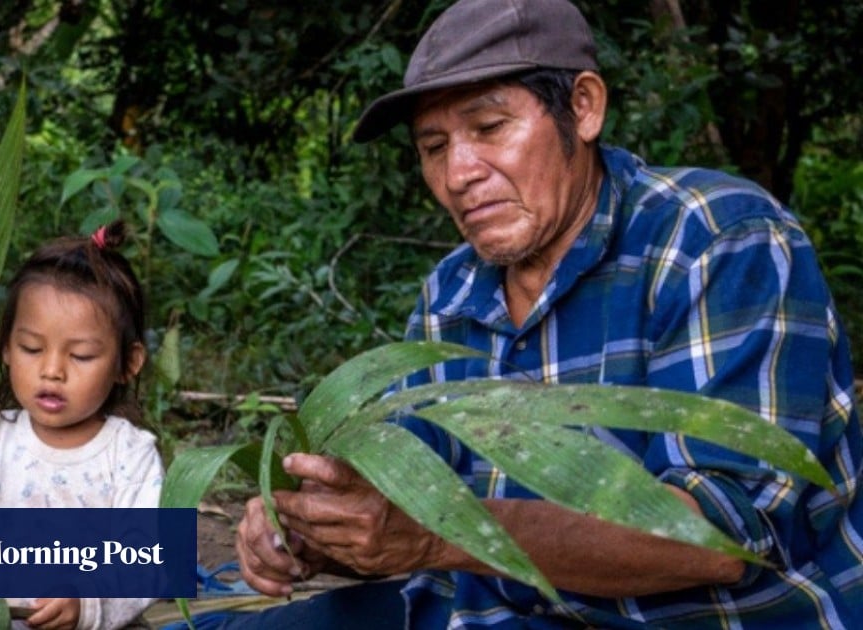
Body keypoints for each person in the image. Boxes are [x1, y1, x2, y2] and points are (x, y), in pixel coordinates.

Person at [230, 0, 863, 628]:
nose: (457, 173)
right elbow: (398, 511)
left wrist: (440, 532)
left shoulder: (714, 239)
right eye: (433, 145)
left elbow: (720, 537)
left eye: (489, 128)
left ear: (583, 108)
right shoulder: (451, 295)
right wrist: (317, 528)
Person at [0, 221, 163, 630]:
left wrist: (88, 606)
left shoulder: (131, 456)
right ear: (7, 349)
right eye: (32, 348)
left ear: (128, 363)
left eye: (81, 355)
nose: (52, 371)